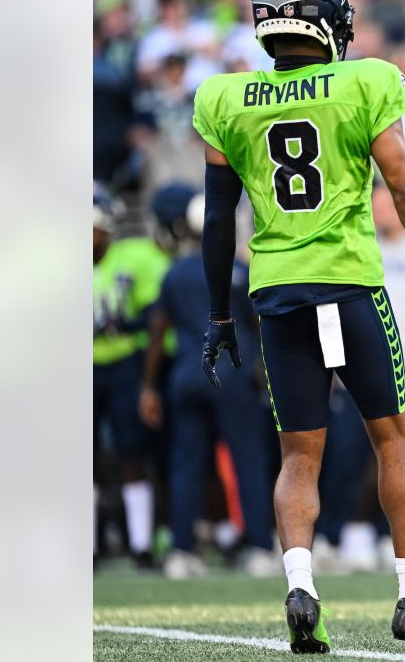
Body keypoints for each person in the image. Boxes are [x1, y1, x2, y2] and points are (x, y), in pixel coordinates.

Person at [191, 0, 405, 653]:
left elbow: (218, 220)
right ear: (330, 19)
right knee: (392, 439)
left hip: (276, 293)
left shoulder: (225, 97)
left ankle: (301, 584)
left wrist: (219, 315)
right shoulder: (366, 79)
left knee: (298, 455)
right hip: (348, 285)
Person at [138, 189, 279, 579]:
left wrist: (148, 386)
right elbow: (259, 326)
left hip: (187, 375)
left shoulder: (175, 272)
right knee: (248, 460)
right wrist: (268, 373)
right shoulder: (239, 272)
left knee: (186, 464)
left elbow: (157, 330)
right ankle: (258, 547)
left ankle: (182, 550)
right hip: (232, 377)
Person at [93, 186, 172, 571]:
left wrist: (122, 324)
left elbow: (156, 313)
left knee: (131, 454)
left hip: (124, 362)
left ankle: (141, 545)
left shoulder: (134, 258)